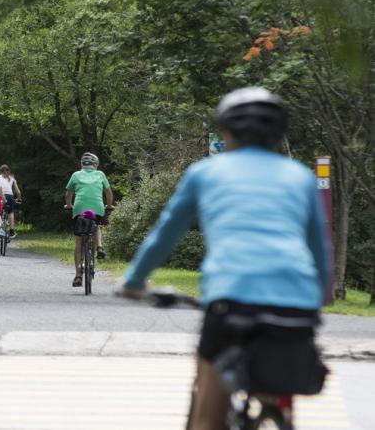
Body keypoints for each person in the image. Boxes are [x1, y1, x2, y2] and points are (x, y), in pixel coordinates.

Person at [117, 87, 331, 430]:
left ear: (226, 131)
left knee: (208, 416)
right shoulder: (300, 177)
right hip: (297, 305)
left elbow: (165, 234)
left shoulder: (205, 173)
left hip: (231, 301)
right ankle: (281, 414)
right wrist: (319, 295)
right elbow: (320, 251)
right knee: (280, 381)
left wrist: (134, 281)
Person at [64, 152, 114, 287]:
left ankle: (78, 275)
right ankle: (99, 247)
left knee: (79, 243)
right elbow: (108, 192)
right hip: (97, 207)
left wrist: (69, 206)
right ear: (95, 164)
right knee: (96, 225)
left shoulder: (76, 175)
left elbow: (69, 193)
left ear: (82, 164)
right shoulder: (100, 174)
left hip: (79, 208)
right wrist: (109, 206)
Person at [0, 164, 22, 238]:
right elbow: (18, 192)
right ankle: (11, 230)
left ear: (0, 171)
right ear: (9, 171)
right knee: (11, 212)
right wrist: (19, 198)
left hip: (0, 196)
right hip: (9, 196)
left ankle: (0, 228)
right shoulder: (12, 178)